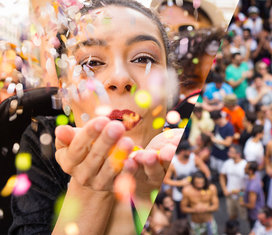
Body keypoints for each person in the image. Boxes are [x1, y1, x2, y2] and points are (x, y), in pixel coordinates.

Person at [11, 1, 184, 234]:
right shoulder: (44, 140)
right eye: (91, 63)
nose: (120, 79)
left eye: (144, 59)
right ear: (65, 92)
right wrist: (90, 188)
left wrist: (148, 199)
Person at [164, 140, 211, 219]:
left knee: (197, 213)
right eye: (189, 150)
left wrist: (202, 184)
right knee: (182, 216)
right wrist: (180, 183)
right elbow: (166, 180)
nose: (191, 152)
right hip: (179, 193)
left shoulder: (194, 158)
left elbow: (207, 173)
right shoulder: (173, 163)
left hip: (194, 191)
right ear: (182, 151)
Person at [181, 171, 219, 235]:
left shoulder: (212, 188)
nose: (199, 185)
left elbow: (216, 206)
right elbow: (183, 208)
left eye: (201, 183)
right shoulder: (187, 190)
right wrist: (195, 210)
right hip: (195, 223)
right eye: (197, 183)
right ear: (193, 182)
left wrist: (206, 209)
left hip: (209, 221)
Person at [220, 144, 247, 220]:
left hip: (241, 195)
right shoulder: (227, 163)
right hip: (229, 195)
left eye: (231, 152)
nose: (229, 153)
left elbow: (248, 182)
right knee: (231, 215)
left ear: (238, 154)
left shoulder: (245, 165)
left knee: (244, 216)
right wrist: (224, 189)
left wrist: (238, 191)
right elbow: (222, 176)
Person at [240, 161, 265, 228]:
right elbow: (261, 184)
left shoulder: (252, 188)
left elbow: (251, 205)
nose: (244, 169)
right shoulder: (256, 174)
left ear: (250, 171)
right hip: (259, 209)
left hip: (255, 214)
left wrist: (242, 203)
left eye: (245, 168)